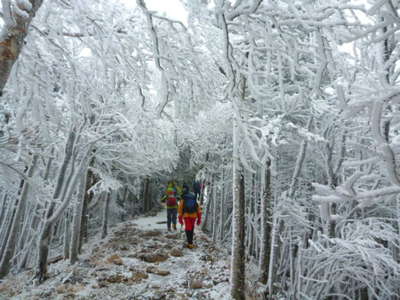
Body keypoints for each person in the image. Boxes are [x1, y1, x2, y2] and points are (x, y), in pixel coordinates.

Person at [178, 184, 201, 248]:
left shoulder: (183, 196)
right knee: (191, 228)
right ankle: (190, 242)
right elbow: (197, 207)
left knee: (188, 228)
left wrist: (180, 217)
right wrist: (199, 218)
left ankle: (190, 243)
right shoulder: (193, 196)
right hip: (194, 215)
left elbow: (180, 207)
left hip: (186, 215)